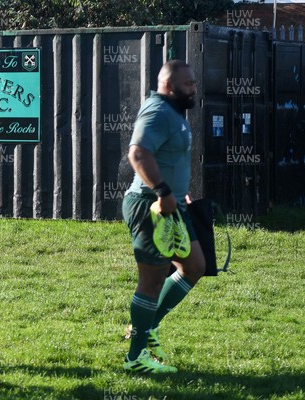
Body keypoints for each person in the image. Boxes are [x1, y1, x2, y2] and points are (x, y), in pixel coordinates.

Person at [121, 59, 205, 373]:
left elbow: (165, 156)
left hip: (171, 203)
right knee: (151, 282)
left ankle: (146, 329)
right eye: (188, 84)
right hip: (150, 205)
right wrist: (162, 190)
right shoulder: (157, 111)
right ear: (169, 85)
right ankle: (135, 359)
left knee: (194, 266)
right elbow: (138, 153)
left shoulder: (173, 113)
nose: (193, 88)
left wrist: (176, 190)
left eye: (194, 82)